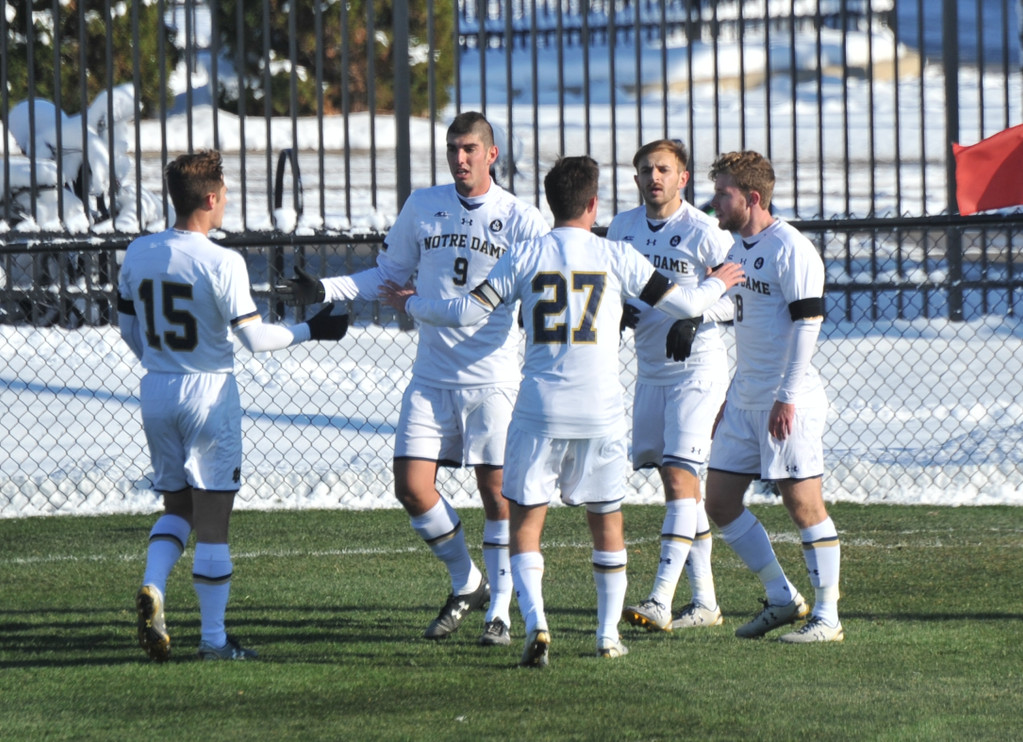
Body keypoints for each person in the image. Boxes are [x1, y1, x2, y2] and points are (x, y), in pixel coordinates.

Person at [379, 155, 745, 666]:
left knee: (526, 525)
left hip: (539, 411)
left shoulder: (525, 255)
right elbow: (683, 305)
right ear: (594, 204)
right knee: (606, 522)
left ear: (550, 204)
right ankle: (605, 637)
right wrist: (719, 283)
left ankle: (538, 625)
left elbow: (464, 312)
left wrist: (411, 303)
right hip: (600, 413)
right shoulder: (615, 254)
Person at [277, 112, 549, 646]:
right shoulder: (423, 207)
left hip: (493, 379)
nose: (460, 158)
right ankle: (464, 580)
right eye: (452, 149)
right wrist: (325, 290)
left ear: (491, 154)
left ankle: (499, 611)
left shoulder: (520, 217)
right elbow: (387, 276)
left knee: (497, 496)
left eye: (470, 148)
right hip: (431, 376)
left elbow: (548, 282)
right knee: (411, 486)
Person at [118, 150, 349, 662]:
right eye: (223, 193)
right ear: (209, 198)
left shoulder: (138, 252)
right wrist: (312, 329)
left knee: (177, 507)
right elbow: (255, 340)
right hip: (208, 394)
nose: (226, 202)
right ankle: (215, 641)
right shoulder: (222, 261)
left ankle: (154, 584)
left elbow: (129, 330)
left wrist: (162, 361)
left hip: (156, 391)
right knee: (214, 521)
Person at [703, 150, 842, 643]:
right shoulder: (737, 248)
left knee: (803, 506)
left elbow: (808, 323)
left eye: (724, 192)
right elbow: (743, 314)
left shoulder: (792, 249)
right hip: (744, 399)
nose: (714, 201)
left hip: (790, 400)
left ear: (753, 198)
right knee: (718, 502)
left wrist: (786, 396)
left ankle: (827, 617)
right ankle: (783, 598)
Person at [607, 139, 734, 633]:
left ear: (683, 179)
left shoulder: (704, 231)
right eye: (644, 169)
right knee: (677, 487)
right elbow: (618, 286)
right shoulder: (623, 228)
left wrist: (696, 313)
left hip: (696, 371)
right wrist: (620, 312)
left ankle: (660, 598)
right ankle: (704, 603)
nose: (653, 177)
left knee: (683, 478)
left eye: (663, 169)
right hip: (651, 372)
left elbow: (738, 292)